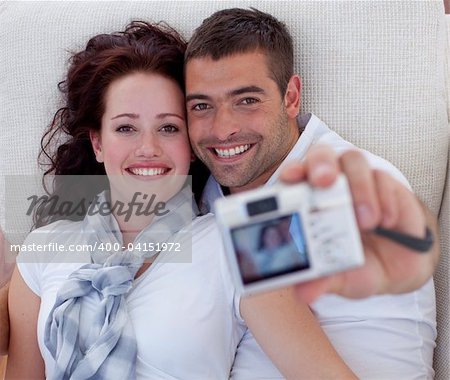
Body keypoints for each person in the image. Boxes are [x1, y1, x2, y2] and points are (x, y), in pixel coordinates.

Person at [5, 21, 357, 379]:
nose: (148, 149)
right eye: (126, 128)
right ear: (97, 143)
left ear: (190, 145)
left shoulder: (247, 242)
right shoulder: (44, 248)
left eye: (169, 127)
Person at [184, 7, 437, 379]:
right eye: (202, 106)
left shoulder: (351, 183)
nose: (223, 130)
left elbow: (240, 254)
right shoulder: (215, 191)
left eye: (247, 100)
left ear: (291, 97)